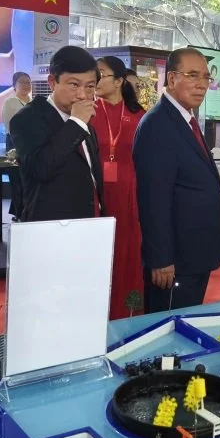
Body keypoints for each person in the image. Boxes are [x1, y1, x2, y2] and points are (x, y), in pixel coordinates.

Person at [133, 47, 220, 313]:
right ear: (172, 79)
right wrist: (161, 258)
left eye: (206, 77)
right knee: (168, 327)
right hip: (174, 260)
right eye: (193, 75)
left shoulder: (185, 120)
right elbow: (153, 199)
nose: (202, 84)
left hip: (193, 253)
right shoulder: (157, 125)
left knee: (186, 321)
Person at [10, 46, 105, 222]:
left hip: (89, 223)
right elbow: (41, 168)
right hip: (50, 226)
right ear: (52, 82)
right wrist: (76, 123)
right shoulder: (27, 118)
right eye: (74, 85)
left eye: (90, 86)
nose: (82, 95)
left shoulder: (86, 122)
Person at [92, 56, 146, 319]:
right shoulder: (88, 111)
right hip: (96, 193)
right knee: (99, 251)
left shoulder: (139, 115)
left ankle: (127, 313)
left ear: (119, 81)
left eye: (100, 74)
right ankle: (96, 313)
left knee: (127, 252)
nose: (95, 79)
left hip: (130, 194)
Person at [2, 71, 31, 219]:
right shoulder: (10, 102)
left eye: (28, 82)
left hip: (32, 144)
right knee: (17, 179)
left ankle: (25, 211)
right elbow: (9, 125)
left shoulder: (33, 102)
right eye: (22, 82)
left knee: (28, 180)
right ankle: (20, 212)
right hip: (15, 143)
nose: (26, 85)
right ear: (14, 85)